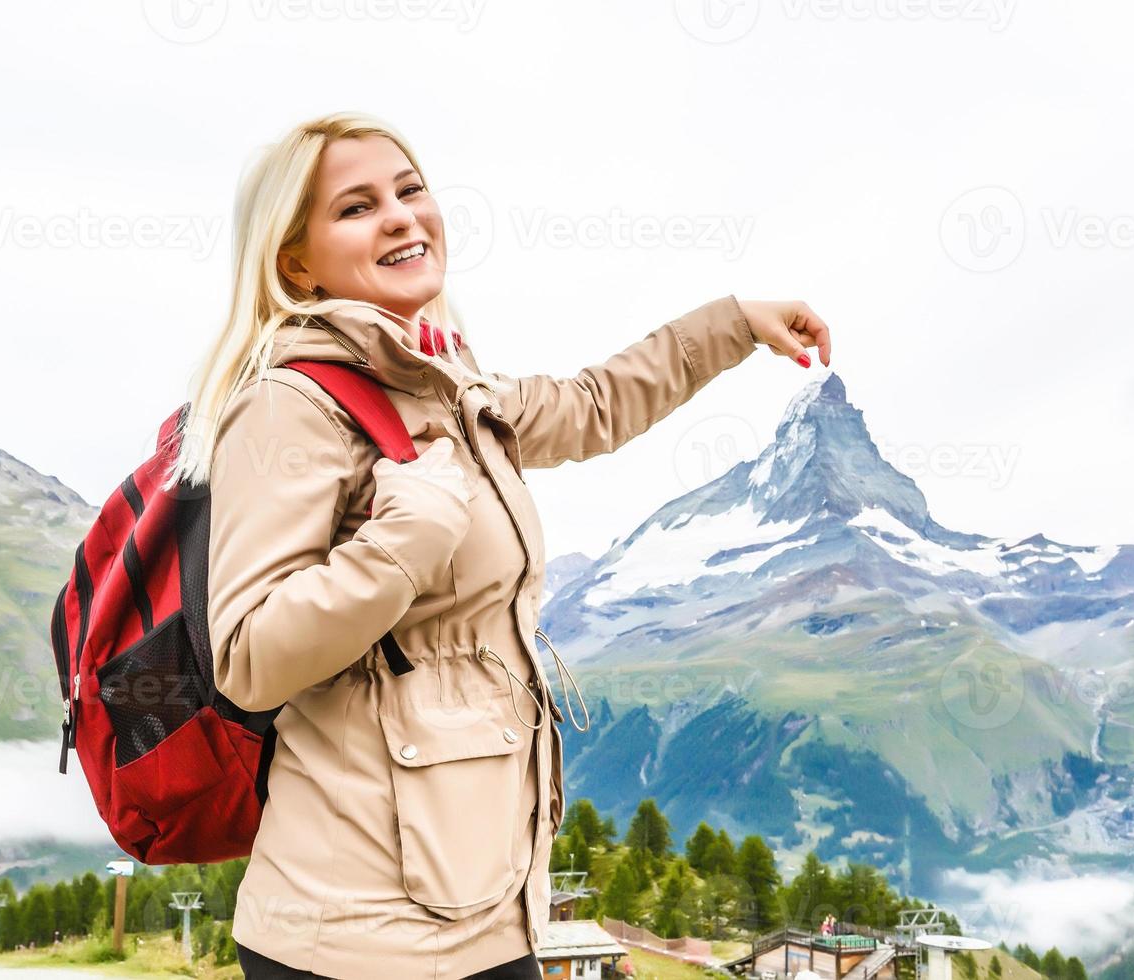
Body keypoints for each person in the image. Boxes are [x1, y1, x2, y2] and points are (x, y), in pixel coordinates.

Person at [166, 111, 834, 980]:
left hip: (484, 916)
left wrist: (734, 321)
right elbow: (248, 656)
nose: (403, 216)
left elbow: (592, 404)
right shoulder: (286, 407)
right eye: (358, 207)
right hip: (355, 941)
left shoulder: (445, 384)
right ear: (295, 259)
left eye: (410, 190)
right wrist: (408, 538)